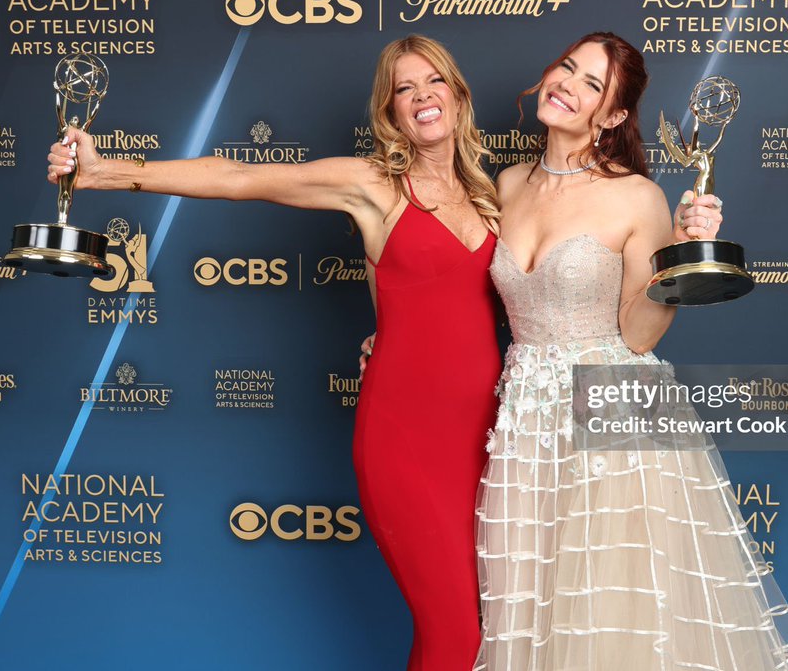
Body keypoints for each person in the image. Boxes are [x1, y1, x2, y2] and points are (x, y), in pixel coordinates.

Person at [46, 35, 502, 671]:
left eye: (435, 81)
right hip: (406, 437)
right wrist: (105, 173)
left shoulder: (492, 198)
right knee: (455, 631)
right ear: (390, 111)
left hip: (487, 441)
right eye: (405, 88)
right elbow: (239, 177)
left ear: (458, 94)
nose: (423, 96)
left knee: (485, 629)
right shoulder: (373, 185)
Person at [473, 32, 788, 670]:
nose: (567, 84)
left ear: (613, 116)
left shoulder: (637, 195)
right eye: (567, 66)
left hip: (615, 409)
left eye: (592, 84)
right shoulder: (509, 183)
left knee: (614, 614)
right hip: (525, 420)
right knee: (532, 607)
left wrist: (680, 254)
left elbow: (639, 336)